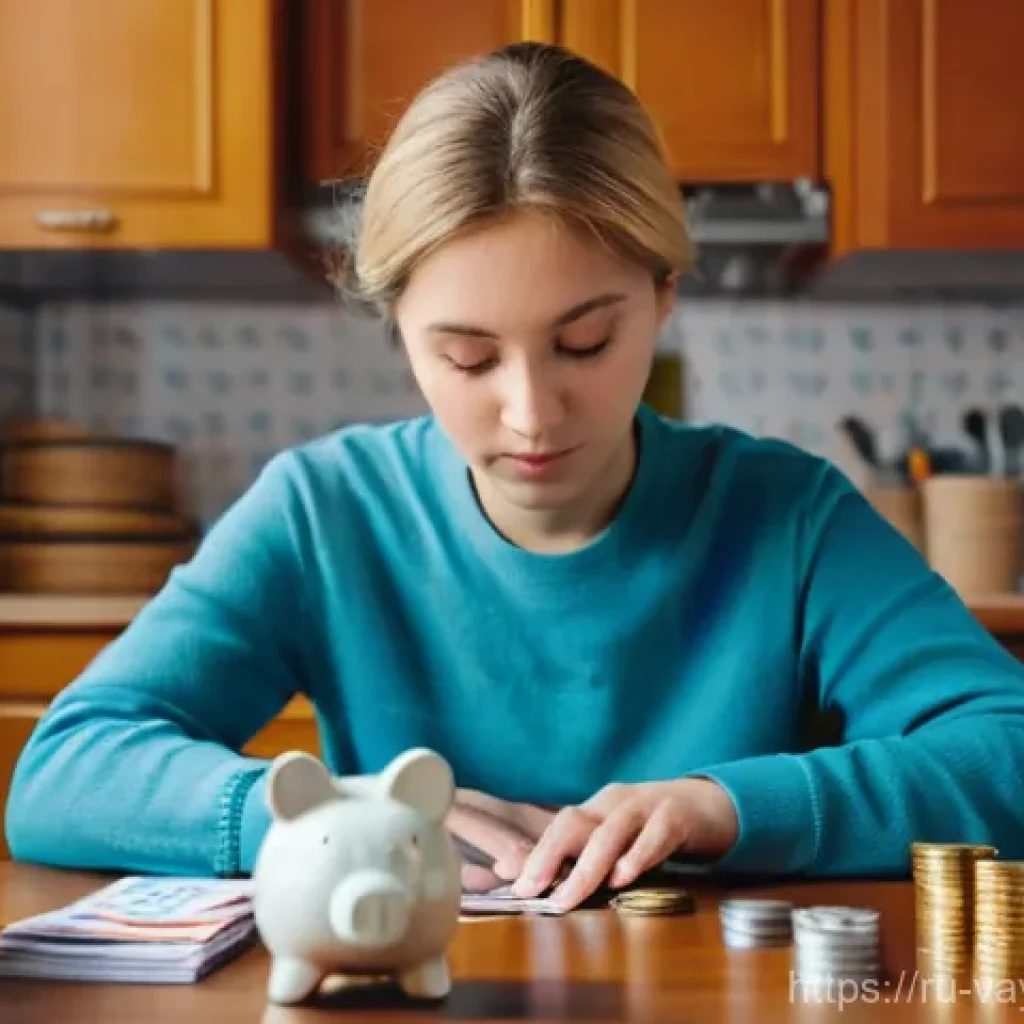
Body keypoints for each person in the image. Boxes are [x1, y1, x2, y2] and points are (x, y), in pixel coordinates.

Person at [6, 41, 1024, 913]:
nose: (532, 412)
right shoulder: (323, 511)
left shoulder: (786, 515)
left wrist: (726, 805)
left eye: (584, 343)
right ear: (397, 327)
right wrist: (338, 812)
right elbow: (62, 773)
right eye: (468, 358)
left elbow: (1008, 751)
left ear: (664, 298)